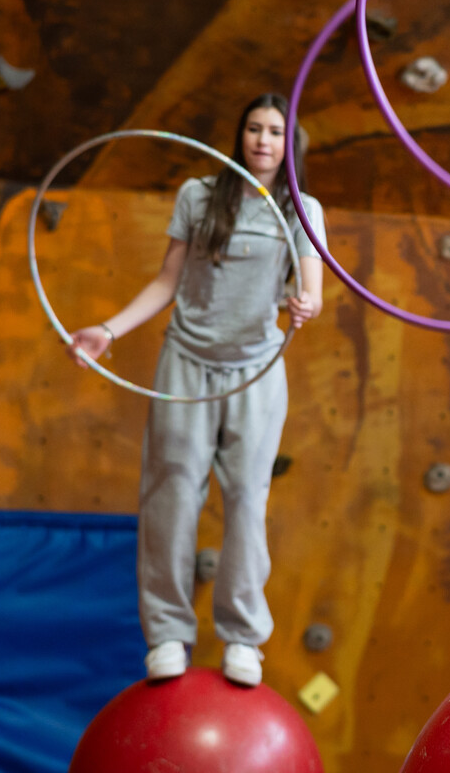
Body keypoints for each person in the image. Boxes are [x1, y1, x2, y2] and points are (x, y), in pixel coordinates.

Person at [66, 93, 325, 685]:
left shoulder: (301, 207)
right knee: (172, 496)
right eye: (254, 128)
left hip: (255, 369)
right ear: (239, 135)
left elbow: (312, 289)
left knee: (245, 501)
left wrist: (304, 304)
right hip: (187, 360)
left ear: (291, 145)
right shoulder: (198, 196)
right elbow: (167, 280)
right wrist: (107, 330)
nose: (263, 140)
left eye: (275, 132)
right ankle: (167, 635)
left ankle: (243, 638)